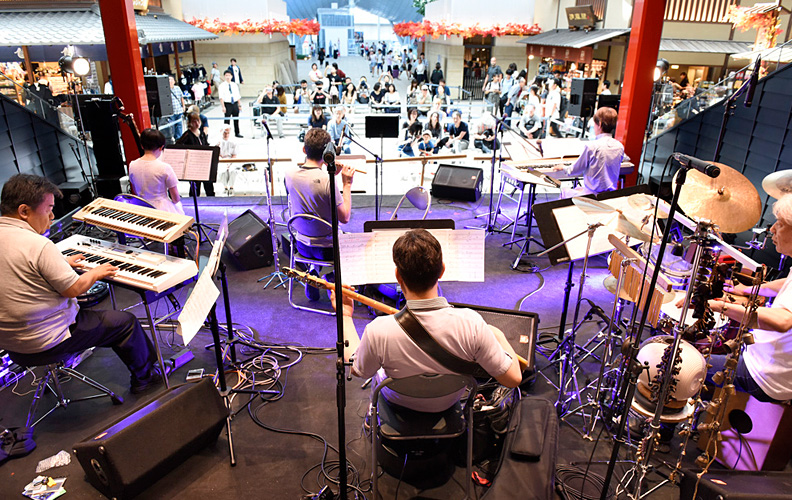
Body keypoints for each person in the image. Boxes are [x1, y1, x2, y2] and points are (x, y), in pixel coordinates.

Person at [0, 174, 162, 394]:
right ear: (24, 211)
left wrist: (59, 262)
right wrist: (95, 272)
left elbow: (19, 269)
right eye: (48, 208)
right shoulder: (37, 244)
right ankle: (145, 379)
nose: (52, 215)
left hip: (11, 344)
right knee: (125, 322)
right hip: (45, 340)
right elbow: (74, 289)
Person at [336, 229, 522, 412]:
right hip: (449, 402)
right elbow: (513, 379)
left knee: (378, 370)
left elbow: (358, 370)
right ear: (441, 271)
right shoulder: (472, 323)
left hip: (399, 401)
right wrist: (497, 334)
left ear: (398, 276)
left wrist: (345, 315)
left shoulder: (378, 330)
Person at [700, 194, 792, 403]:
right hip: (767, 360)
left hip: (764, 374)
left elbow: (783, 321)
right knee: (704, 355)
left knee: (682, 365)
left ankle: (663, 431)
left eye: (781, 224)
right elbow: (786, 282)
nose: (772, 229)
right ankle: (699, 412)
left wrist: (718, 305)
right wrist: (750, 290)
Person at [284, 127, 355, 300]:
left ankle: (313, 271)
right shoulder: (326, 181)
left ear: (304, 149)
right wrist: (346, 184)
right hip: (328, 250)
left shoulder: (289, 174)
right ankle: (329, 278)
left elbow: (311, 187)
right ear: (327, 154)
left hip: (302, 245)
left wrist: (331, 177)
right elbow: (344, 217)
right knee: (355, 242)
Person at [546, 107, 623, 197]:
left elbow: (574, 170)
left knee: (564, 192)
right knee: (578, 189)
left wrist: (563, 167)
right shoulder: (619, 146)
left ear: (600, 124)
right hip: (609, 195)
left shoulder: (592, 147)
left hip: (592, 196)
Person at [129, 128, 185, 215]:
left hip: (141, 208)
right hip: (161, 210)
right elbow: (176, 198)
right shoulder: (164, 167)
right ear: (161, 147)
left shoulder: (132, 165)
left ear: (142, 145)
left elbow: (136, 190)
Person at [177, 112, 215, 197]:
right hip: (194, 166)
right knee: (195, 188)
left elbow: (205, 144)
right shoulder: (187, 134)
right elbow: (178, 146)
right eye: (194, 121)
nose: (197, 124)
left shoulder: (201, 133)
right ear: (189, 123)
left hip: (204, 164)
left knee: (209, 187)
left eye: (198, 121)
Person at [219, 70, 243, 138]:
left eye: (229, 75)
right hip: (227, 104)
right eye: (226, 75)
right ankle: (226, 133)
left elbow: (237, 95)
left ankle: (237, 133)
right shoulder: (222, 86)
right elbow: (221, 97)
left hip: (234, 103)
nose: (227, 77)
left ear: (231, 76)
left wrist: (239, 105)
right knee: (227, 120)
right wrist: (223, 106)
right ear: (224, 76)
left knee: (236, 119)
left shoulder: (234, 85)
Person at [217, 125, 239, 195]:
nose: (226, 134)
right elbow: (218, 154)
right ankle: (225, 187)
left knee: (233, 170)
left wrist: (230, 163)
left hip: (231, 160)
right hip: (222, 160)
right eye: (225, 132)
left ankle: (231, 187)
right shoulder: (218, 142)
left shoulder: (234, 142)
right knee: (223, 170)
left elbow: (234, 155)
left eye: (228, 133)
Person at [168, 75, 185, 139]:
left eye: (171, 80)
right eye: (169, 80)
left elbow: (181, 98)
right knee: (172, 126)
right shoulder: (166, 90)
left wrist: (183, 106)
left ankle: (179, 138)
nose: (170, 81)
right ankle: (174, 137)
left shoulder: (177, 88)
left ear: (174, 81)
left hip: (179, 110)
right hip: (171, 111)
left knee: (179, 125)